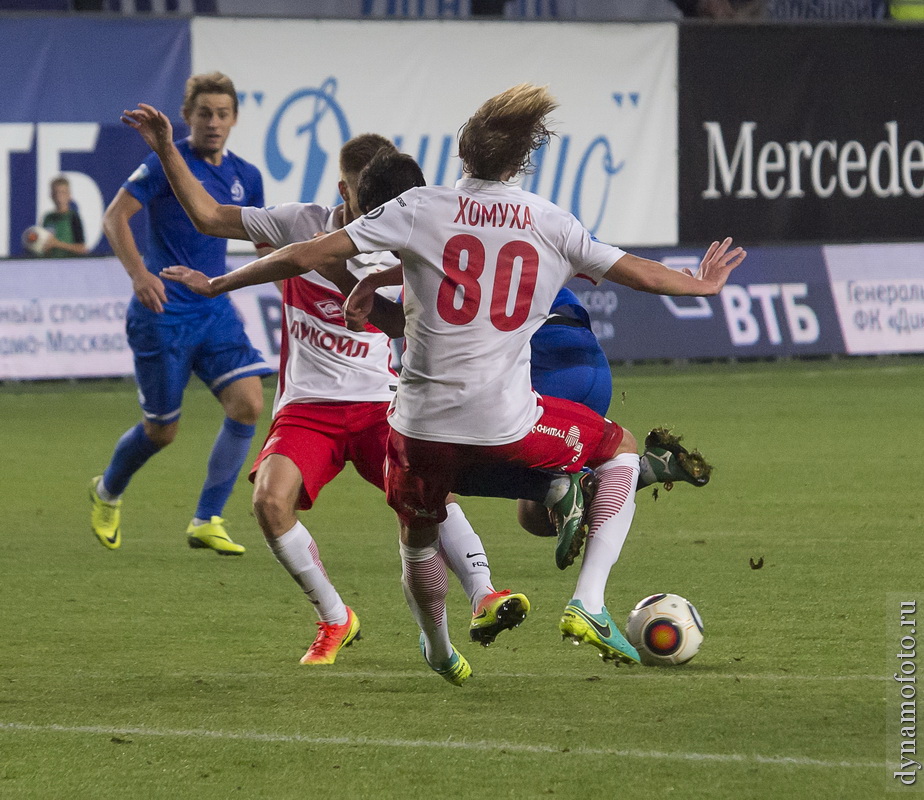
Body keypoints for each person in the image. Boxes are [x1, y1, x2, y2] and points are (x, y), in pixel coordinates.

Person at [160, 84, 745, 686]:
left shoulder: (420, 206)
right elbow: (636, 273)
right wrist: (698, 285)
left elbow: (307, 252)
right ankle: (587, 599)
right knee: (619, 449)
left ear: (462, 154)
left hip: (415, 427)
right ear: (520, 162)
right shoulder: (550, 222)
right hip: (505, 418)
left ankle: (439, 648)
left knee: (418, 538)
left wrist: (217, 283)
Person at [118, 105, 530, 665]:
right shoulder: (300, 222)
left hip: (383, 405)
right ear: (345, 190)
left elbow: (420, 316)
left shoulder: (409, 231)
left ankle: (485, 593)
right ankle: (336, 618)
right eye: (371, 200)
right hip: (309, 408)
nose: (384, 213)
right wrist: (167, 148)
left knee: (430, 500)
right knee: (268, 502)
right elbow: (210, 217)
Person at [355, 149, 713, 568]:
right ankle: (639, 470)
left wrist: (358, 282)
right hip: (589, 365)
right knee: (533, 516)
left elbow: (402, 322)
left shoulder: (427, 252)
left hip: (540, 370)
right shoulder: (495, 223)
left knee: (445, 465)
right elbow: (630, 269)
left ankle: (579, 559)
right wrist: (697, 284)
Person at [88, 72, 273, 556]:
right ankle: (107, 489)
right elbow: (114, 217)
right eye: (204, 113)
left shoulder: (247, 176)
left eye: (223, 114)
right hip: (163, 310)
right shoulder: (165, 163)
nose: (213, 123)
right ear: (187, 117)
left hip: (214, 308)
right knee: (162, 431)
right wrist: (139, 275)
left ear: (234, 119)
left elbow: (263, 243)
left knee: (250, 403)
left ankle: (207, 517)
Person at [38, 176, 88, 257]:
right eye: (56, 193)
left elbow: (82, 248)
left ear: (69, 195)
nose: (59, 197)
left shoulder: (73, 217)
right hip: (50, 265)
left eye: (63, 193)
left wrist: (57, 244)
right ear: (51, 195)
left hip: (68, 264)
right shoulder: (48, 218)